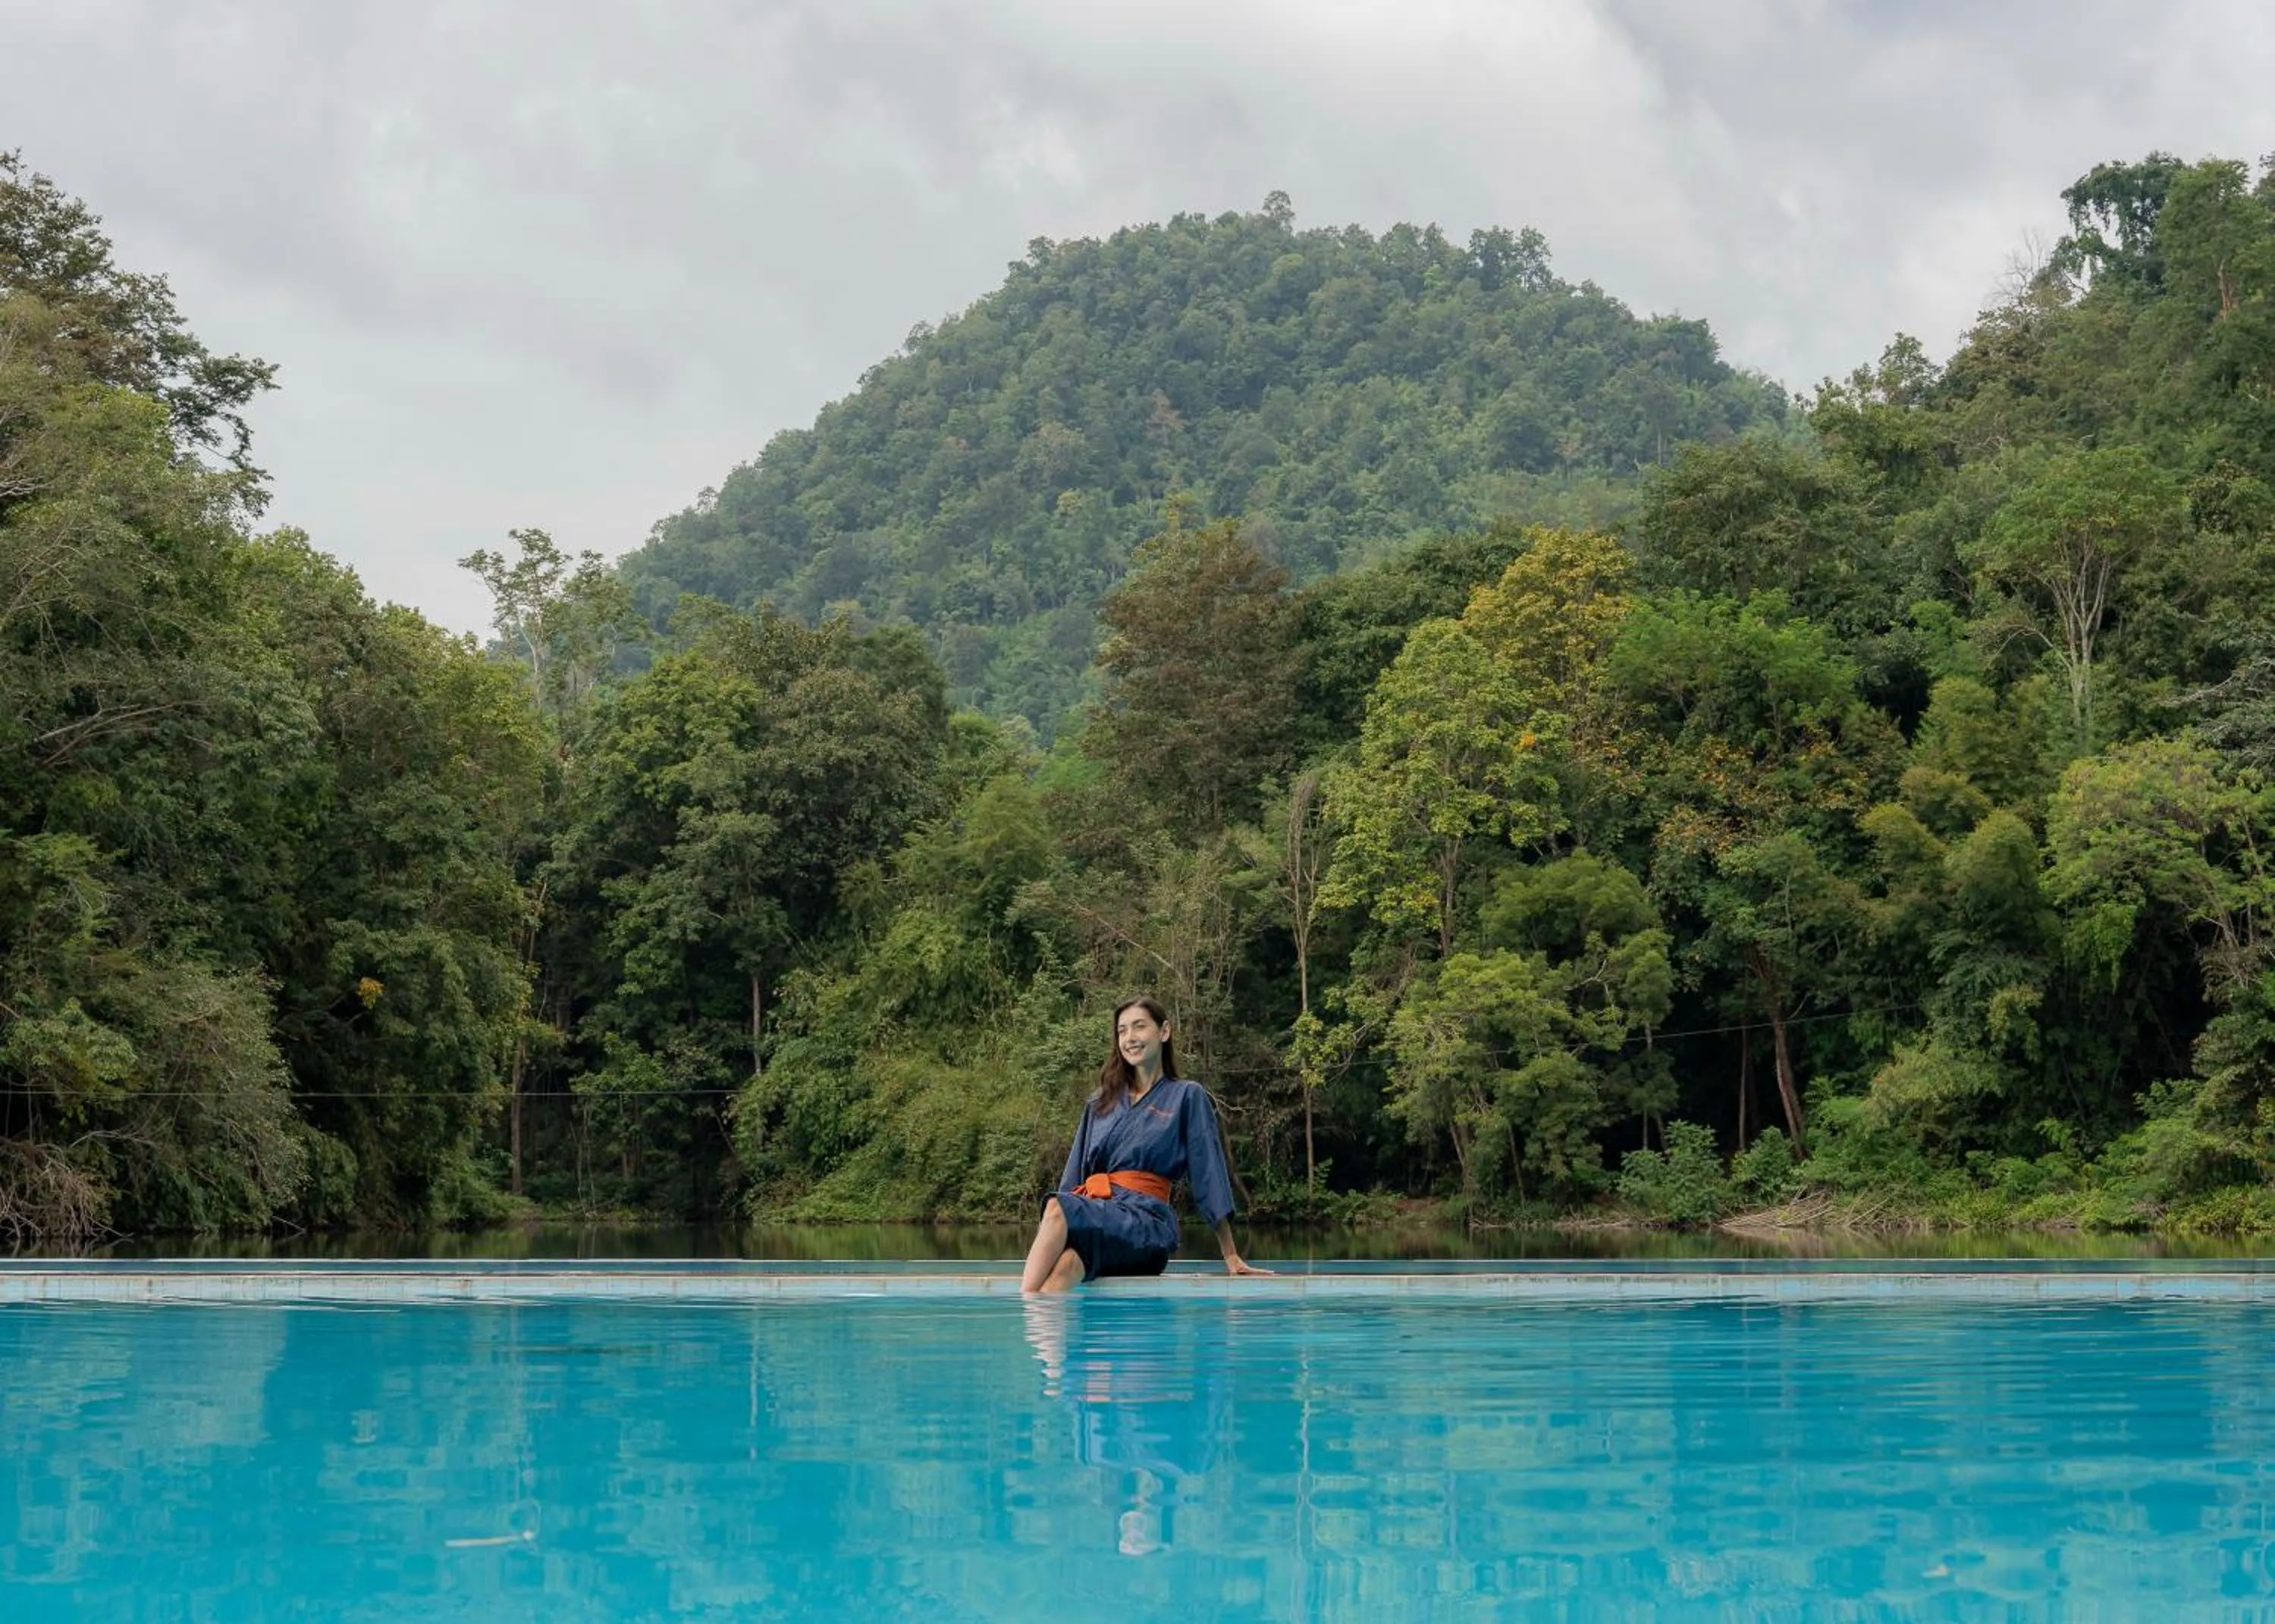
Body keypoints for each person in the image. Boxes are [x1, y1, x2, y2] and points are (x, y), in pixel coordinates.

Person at [1020, 995, 1271, 1293]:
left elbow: (1209, 1174)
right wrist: (1058, 1225)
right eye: (1122, 1031)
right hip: (1100, 1216)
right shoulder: (1100, 1102)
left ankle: (1022, 1310)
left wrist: (1230, 1255)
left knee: (1056, 1207)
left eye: (1139, 1027)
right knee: (1067, 1264)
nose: (1130, 1038)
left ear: (1164, 1032)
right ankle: (1041, 1337)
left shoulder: (1187, 1096)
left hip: (1147, 1227)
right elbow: (1072, 1180)